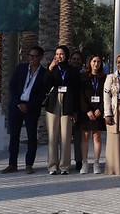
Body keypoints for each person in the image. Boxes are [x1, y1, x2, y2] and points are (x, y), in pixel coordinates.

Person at [3, 46, 48, 174]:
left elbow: (42, 95)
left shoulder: (44, 74)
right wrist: (18, 103)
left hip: (31, 108)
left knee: (31, 136)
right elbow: (12, 86)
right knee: (14, 136)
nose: (32, 59)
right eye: (30, 56)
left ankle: (29, 164)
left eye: (35, 56)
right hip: (17, 106)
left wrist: (28, 106)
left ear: (41, 57)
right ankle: (12, 164)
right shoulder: (21, 69)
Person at [44, 45, 81, 175]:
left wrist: (75, 110)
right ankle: (52, 166)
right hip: (53, 103)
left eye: (62, 54)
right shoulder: (52, 68)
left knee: (65, 136)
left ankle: (64, 166)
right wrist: (50, 68)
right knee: (53, 136)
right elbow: (45, 84)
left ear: (66, 56)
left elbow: (77, 92)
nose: (59, 56)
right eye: (57, 54)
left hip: (68, 103)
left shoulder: (73, 70)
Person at [79, 55, 107, 174]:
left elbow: (106, 95)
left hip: (98, 111)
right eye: (94, 61)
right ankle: (85, 162)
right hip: (86, 111)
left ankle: (96, 163)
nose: (96, 64)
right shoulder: (83, 77)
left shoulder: (104, 77)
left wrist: (100, 109)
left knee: (97, 136)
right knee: (85, 136)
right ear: (89, 63)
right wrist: (87, 110)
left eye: (98, 61)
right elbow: (80, 95)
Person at [69, 51, 85, 172]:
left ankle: (79, 161)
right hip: (68, 109)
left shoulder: (84, 75)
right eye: (74, 59)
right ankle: (64, 161)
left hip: (81, 110)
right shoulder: (67, 73)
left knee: (79, 138)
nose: (76, 61)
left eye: (78, 59)